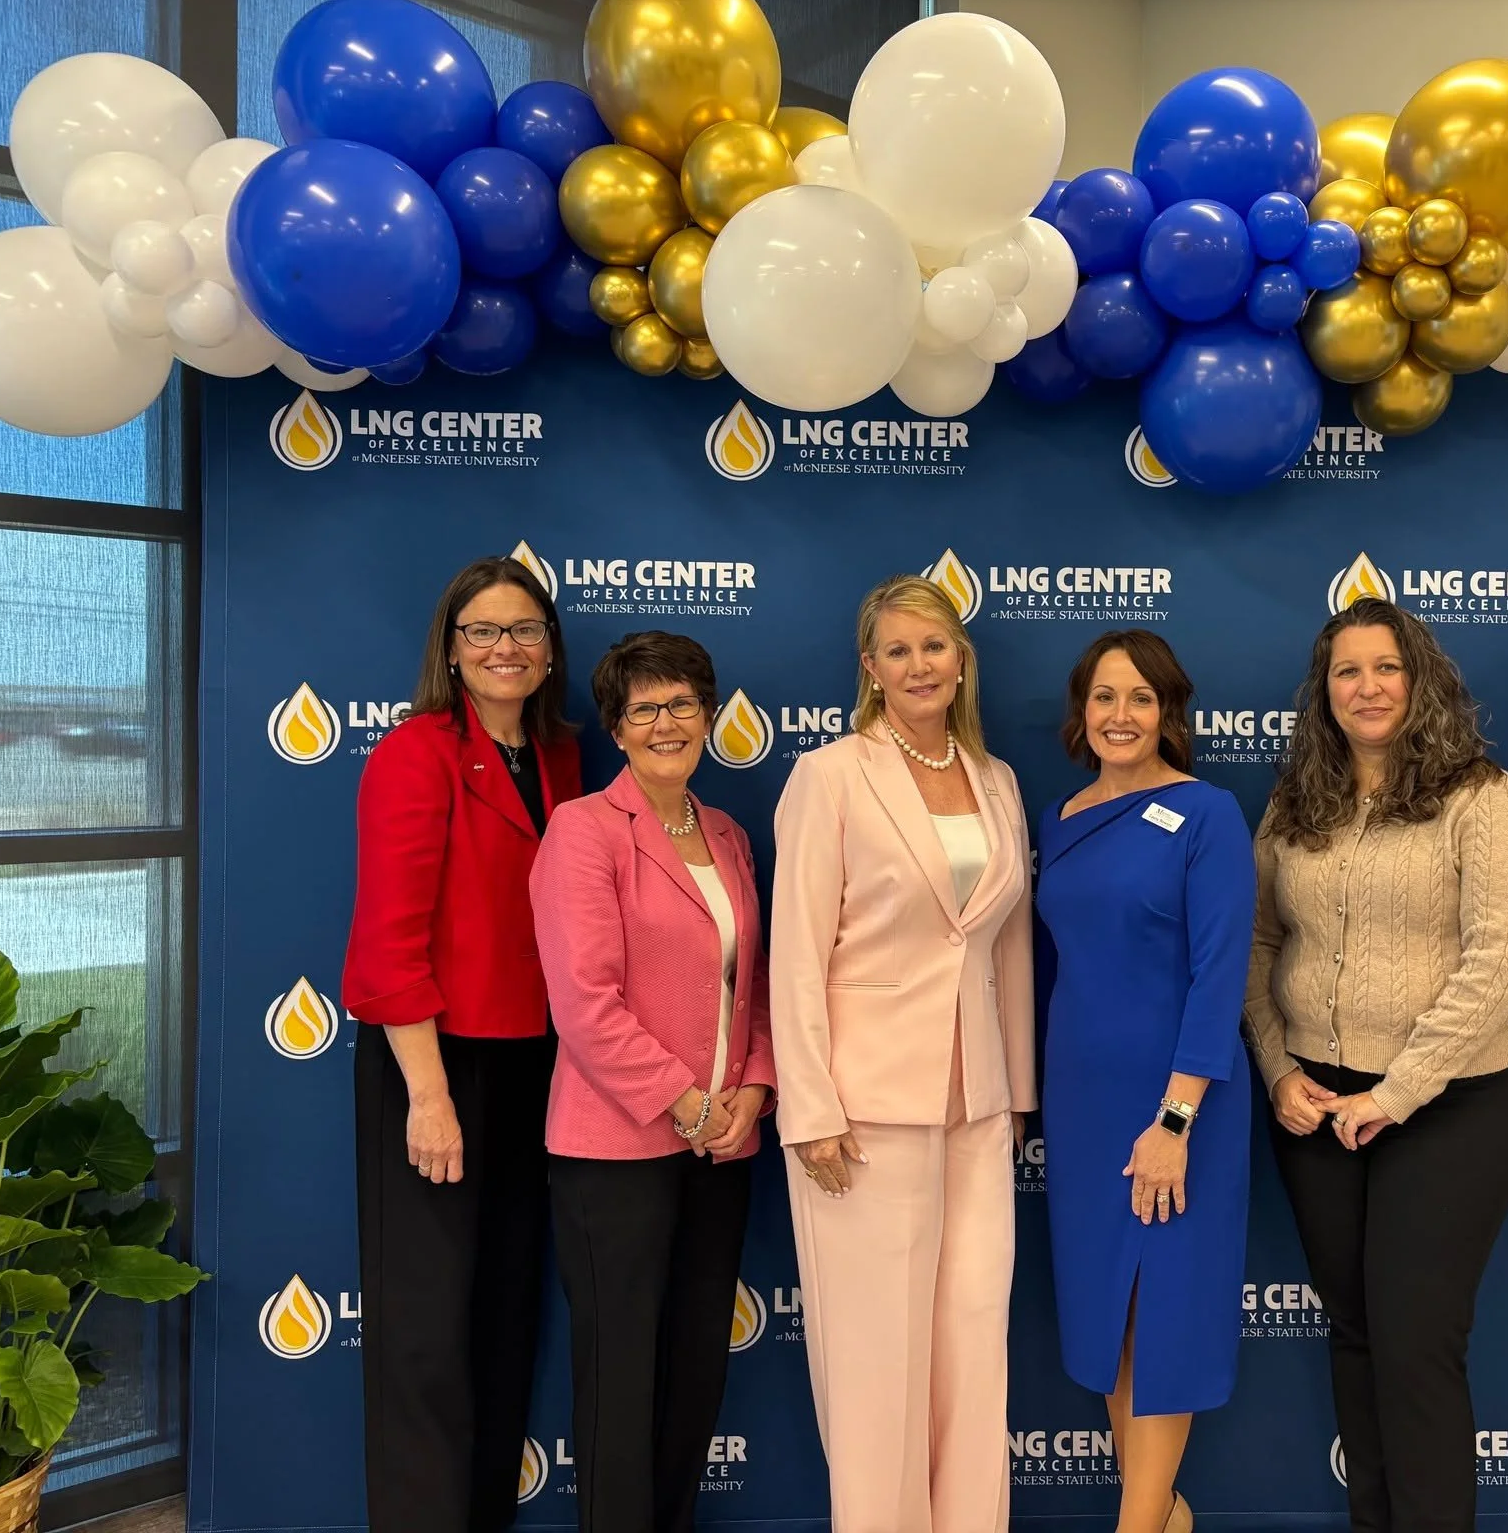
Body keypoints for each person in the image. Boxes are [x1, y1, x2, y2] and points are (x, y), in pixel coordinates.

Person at [1245, 597, 1508, 1533]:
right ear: (1323, 691)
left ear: (1420, 680)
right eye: (1347, 670)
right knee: (1358, 1338)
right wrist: (1275, 1067)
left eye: (1386, 667)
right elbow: (1258, 942)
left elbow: (1503, 961)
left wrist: (1398, 1090)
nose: (1367, 686)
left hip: (1448, 1105)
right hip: (1314, 1104)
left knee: (1415, 1348)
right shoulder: (1297, 801)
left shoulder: (1480, 794)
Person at [768, 574, 1035, 1533]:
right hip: (861, 1105)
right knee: (878, 1354)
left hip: (977, 1104)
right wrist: (810, 1109)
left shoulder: (996, 780)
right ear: (871, 672)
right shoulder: (831, 775)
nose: (919, 664)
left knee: (971, 1338)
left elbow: (1003, 946)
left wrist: (1015, 1097)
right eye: (898, 650)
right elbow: (795, 953)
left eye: (935, 645)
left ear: (962, 660)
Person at [342, 555, 581, 1533]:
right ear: (451, 648)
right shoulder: (416, 752)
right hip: (434, 1061)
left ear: (548, 648)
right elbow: (390, 940)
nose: (504, 649)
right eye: (482, 631)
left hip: (537, 1064)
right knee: (425, 1330)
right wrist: (428, 1097)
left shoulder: (560, 755)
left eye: (523, 630)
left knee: (503, 1314)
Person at [529, 632, 776, 1533]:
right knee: (621, 1379)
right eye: (645, 709)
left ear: (709, 715)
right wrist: (684, 1101)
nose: (666, 723)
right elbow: (585, 1004)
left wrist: (752, 1088)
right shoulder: (585, 831)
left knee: (694, 1370)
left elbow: (751, 989)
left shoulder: (729, 835)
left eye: (682, 705)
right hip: (616, 1152)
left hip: (722, 1149)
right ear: (618, 729)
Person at [1035, 630, 1253, 1533]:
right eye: (1103, 697)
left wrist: (1174, 1120)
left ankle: (1139, 1526)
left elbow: (1220, 974)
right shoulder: (1061, 815)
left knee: (1164, 1311)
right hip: (1083, 1104)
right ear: (1081, 712)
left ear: (1168, 712)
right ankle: (1162, 1514)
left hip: (1177, 1105)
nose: (1120, 716)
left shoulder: (1208, 813)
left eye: (1140, 699)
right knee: (1111, 1313)